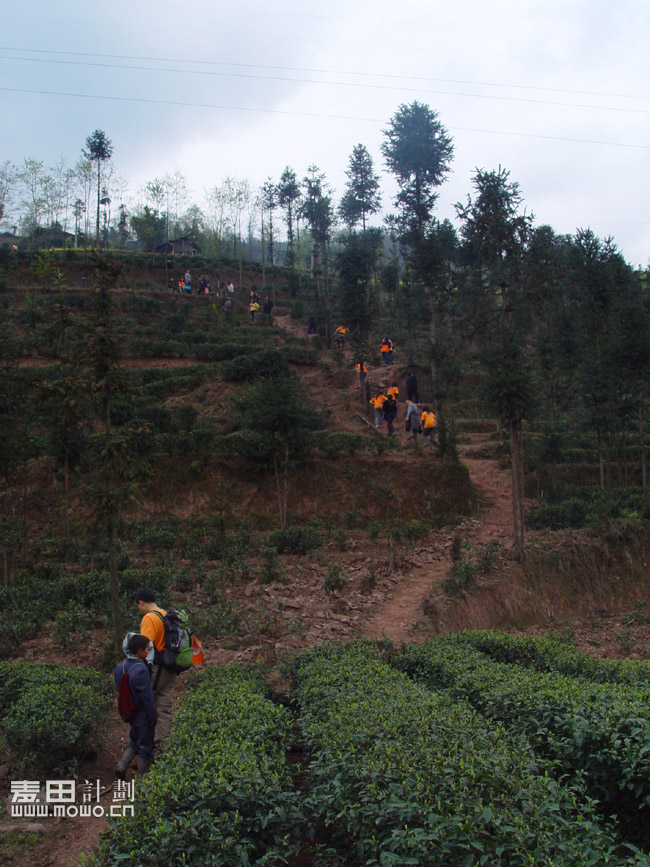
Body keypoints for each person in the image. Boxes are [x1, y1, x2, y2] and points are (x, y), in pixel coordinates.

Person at [136, 588, 176, 748]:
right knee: (165, 709)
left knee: (145, 705)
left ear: (141, 602)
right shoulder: (166, 614)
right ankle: (163, 747)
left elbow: (145, 646)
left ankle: (144, 747)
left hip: (157, 670)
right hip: (171, 668)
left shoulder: (149, 618)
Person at [114, 634, 158, 779]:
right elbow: (147, 697)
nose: (148, 652)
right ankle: (143, 778)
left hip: (130, 712)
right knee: (145, 745)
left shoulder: (120, 667)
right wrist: (153, 716)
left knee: (134, 740)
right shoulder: (141, 669)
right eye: (147, 649)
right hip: (143, 714)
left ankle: (121, 767)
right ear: (139, 651)